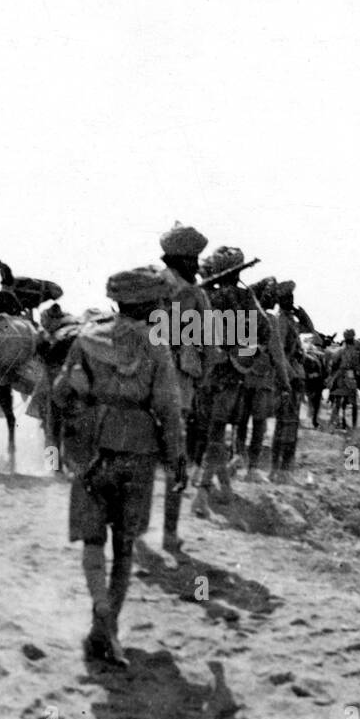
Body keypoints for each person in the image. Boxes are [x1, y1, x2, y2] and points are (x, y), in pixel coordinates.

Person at [51, 267, 185, 668]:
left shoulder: (86, 338)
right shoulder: (157, 346)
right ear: (149, 304)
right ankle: (106, 627)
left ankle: (99, 607)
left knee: (93, 541)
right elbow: (169, 408)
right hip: (138, 450)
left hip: (92, 450)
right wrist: (176, 459)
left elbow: (60, 392)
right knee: (124, 546)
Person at [192, 245, 271, 516]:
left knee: (207, 432)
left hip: (204, 374)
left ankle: (219, 486)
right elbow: (263, 333)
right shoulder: (244, 297)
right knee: (216, 432)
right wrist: (239, 356)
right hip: (229, 376)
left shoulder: (202, 298)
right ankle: (203, 491)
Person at [156, 222, 211, 553]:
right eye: (193, 260)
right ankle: (169, 532)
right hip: (176, 379)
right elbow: (209, 342)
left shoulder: (145, 283)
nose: (198, 266)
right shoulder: (192, 293)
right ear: (181, 259)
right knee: (176, 457)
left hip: (140, 377)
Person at [233, 276, 290, 482]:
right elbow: (277, 353)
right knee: (259, 423)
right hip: (263, 377)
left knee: (240, 420)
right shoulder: (270, 319)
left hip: (241, 373)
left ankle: (237, 457)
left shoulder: (242, 315)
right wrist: (284, 381)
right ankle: (253, 468)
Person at [269, 280, 306, 479]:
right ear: (280, 300)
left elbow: (310, 329)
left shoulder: (291, 319)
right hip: (289, 376)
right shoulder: (281, 321)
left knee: (291, 423)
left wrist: (302, 314)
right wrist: (290, 377)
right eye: (287, 298)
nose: (291, 300)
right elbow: (280, 352)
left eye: (292, 297)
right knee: (285, 423)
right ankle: (278, 467)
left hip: (295, 374)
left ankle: (285, 467)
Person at [328, 328, 360, 429]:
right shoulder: (356, 350)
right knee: (353, 402)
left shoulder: (340, 350)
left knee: (337, 400)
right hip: (351, 375)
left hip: (341, 374)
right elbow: (359, 365)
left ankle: (334, 421)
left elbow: (334, 362)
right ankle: (353, 424)